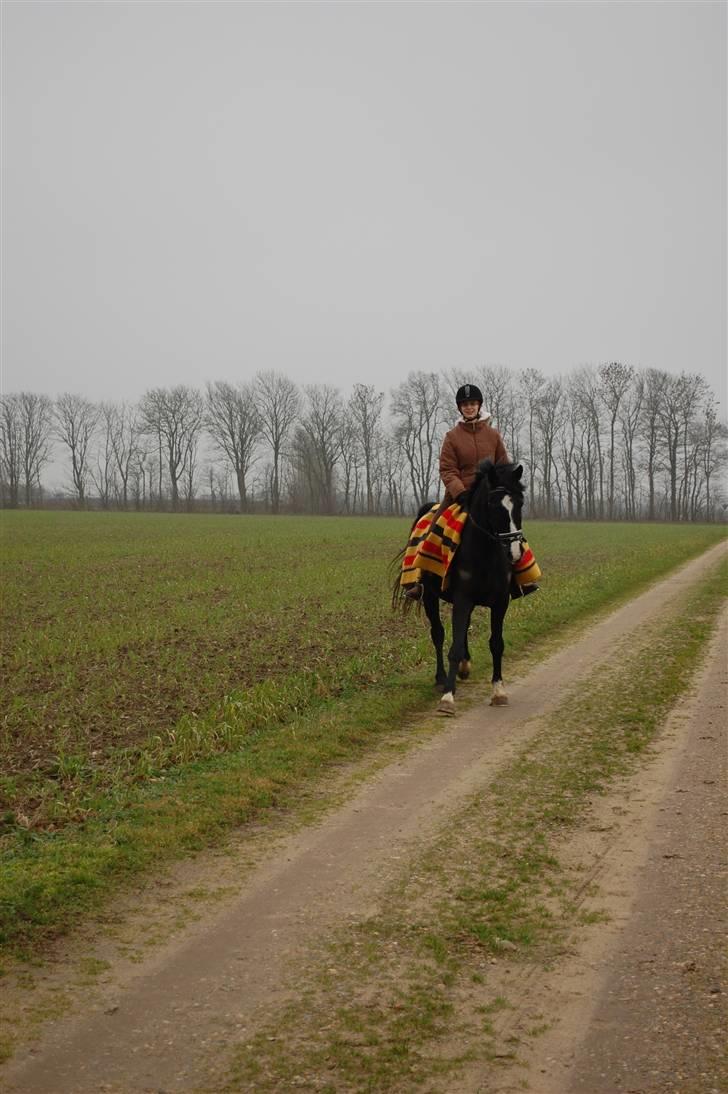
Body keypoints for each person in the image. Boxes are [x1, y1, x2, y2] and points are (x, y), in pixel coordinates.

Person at [404, 383, 539, 600]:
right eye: (465, 404)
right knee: (432, 531)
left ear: (479, 406)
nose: (469, 407)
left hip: (489, 498)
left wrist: (504, 486)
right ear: (460, 408)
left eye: (473, 403)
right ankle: (421, 581)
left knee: (512, 532)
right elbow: (447, 469)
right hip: (459, 497)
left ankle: (521, 580)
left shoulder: (493, 435)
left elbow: (503, 464)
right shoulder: (452, 437)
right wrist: (460, 491)